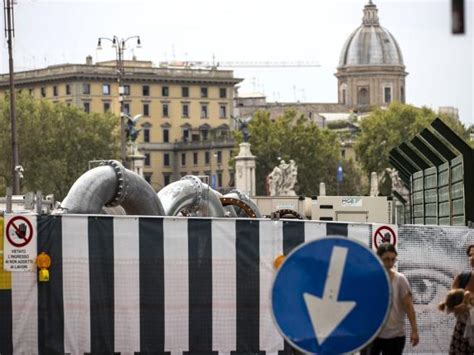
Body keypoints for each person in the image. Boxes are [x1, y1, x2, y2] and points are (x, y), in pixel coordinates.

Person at [369, 243, 419, 355]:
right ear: (378, 259)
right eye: (386, 259)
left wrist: (414, 330)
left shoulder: (400, 280)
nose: (390, 263)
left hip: (395, 335)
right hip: (373, 335)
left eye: (393, 259)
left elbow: (409, 307)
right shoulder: (370, 279)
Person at [448, 244, 474, 354]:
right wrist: (457, 307)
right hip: (462, 328)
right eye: (470, 255)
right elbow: (449, 304)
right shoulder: (462, 277)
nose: (472, 257)